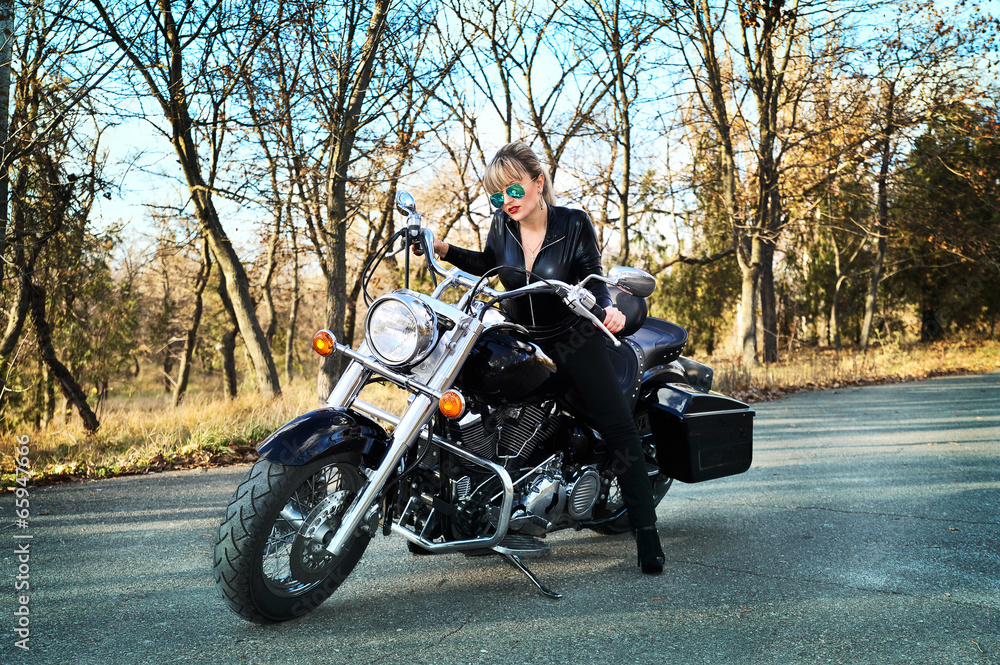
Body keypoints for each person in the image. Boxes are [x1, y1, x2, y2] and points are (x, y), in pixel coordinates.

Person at [428, 142, 666, 575]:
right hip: (522, 337)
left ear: (538, 182)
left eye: (514, 189)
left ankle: (647, 533)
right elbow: (488, 263)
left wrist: (606, 308)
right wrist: (443, 248)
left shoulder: (573, 222)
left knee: (618, 427)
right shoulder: (502, 226)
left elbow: (593, 276)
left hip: (573, 337)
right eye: (497, 196)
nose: (506, 201)